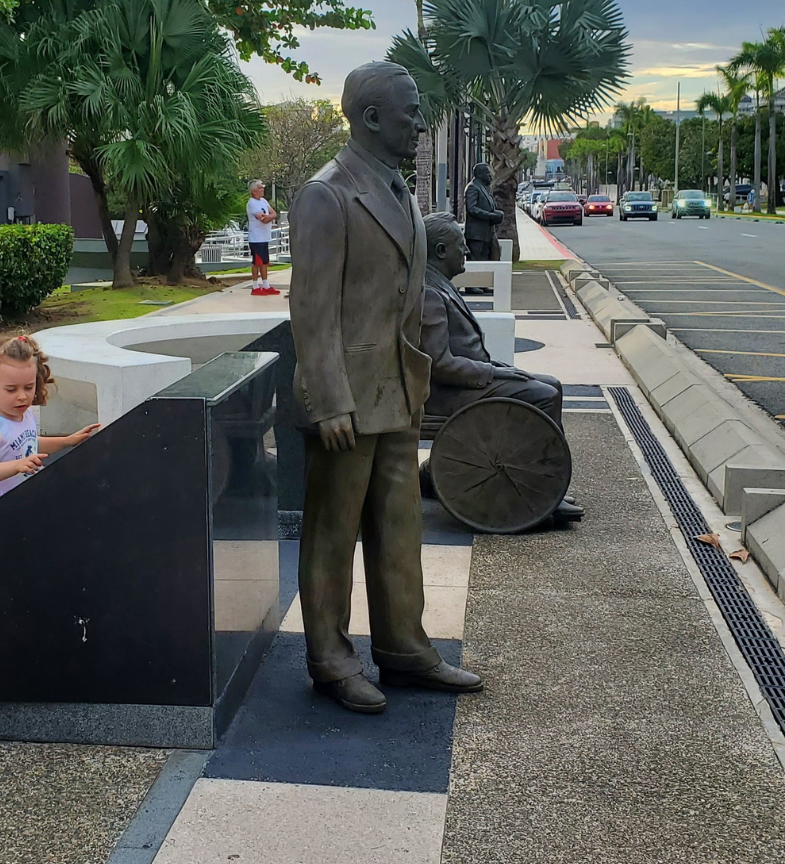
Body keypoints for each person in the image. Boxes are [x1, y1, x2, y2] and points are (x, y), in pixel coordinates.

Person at [289, 61, 484, 715]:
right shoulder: (327, 195)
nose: (420, 124)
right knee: (332, 536)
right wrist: (329, 399)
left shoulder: (397, 190)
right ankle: (331, 659)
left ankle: (404, 649)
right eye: (410, 113)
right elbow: (311, 310)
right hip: (347, 400)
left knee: (400, 530)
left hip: (400, 393)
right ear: (371, 118)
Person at [0, 334, 99, 695]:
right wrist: (18, 465)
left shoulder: (26, 415)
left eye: (28, 388)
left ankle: (18, 650)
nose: (21, 397)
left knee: (20, 587)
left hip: (19, 511)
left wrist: (66, 441)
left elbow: (30, 442)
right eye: (11, 389)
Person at [418, 211, 583, 522]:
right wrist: (495, 372)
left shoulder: (440, 285)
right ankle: (541, 491)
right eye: (460, 245)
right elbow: (439, 364)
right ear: (441, 251)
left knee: (552, 385)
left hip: (464, 382)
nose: (467, 250)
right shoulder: (429, 293)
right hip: (444, 394)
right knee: (543, 395)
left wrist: (499, 368)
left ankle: (546, 484)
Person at [246, 179, 279, 296]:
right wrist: (269, 216)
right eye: (260, 188)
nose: (262, 189)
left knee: (265, 262)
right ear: (254, 191)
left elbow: (273, 213)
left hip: (264, 237)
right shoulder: (252, 203)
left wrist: (269, 216)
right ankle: (255, 286)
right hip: (256, 238)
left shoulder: (264, 201)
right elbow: (263, 219)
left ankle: (266, 285)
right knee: (257, 262)